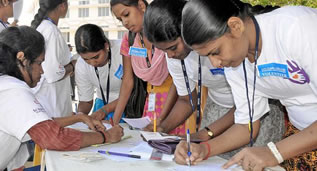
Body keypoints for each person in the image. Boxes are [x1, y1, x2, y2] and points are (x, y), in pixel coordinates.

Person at [175, 0, 317, 170]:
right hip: (303, 138)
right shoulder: (236, 64)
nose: (215, 63)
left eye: (215, 52)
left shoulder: (297, 28)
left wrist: (273, 152)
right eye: (207, 57)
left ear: (235, 26)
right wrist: (204, 149)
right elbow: (246, 125)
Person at [143, 0, 285, 159]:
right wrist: (162, 128)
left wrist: (207, 133)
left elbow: (247, 109)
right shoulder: (177, 57)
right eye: (163, 51)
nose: (170, 55)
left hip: (257, 111)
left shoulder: (227, 48)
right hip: (218, 109)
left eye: (173, 47)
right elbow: (186, 100)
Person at [0, 26, 123, 171]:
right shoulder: (12, 90)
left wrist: (79, 118)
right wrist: (105, 136)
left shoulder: (1, 83)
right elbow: (54, 138)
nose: (42, 71)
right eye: (39, 63)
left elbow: (40, 125)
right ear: (22, 58)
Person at [110, 0, 194, 135]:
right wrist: (115, 122)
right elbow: (127, 81)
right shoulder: (129, 40)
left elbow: (178, 81)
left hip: (177, 103)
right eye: (120, 19)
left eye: (126, 14)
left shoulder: (169, 32)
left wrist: (162, 119)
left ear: (141, 6)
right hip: (151, 102)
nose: (125, 22)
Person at [31, 0, 75, 118]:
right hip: (52, 101)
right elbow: (53, 73)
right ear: (62, 5)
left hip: (49, 98)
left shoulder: (44, 27)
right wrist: (72, 66)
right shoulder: (50, 31)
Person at [74, 24, 124, 122]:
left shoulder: (122, 52)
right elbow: (86, 101)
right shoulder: (81, 64)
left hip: (128, 103)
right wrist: (79, 116)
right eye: (86, 59)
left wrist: (105, 110)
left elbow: (134, 92)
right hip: (101, 105)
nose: (92, 63)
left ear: (106, 46)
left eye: (96, 57)